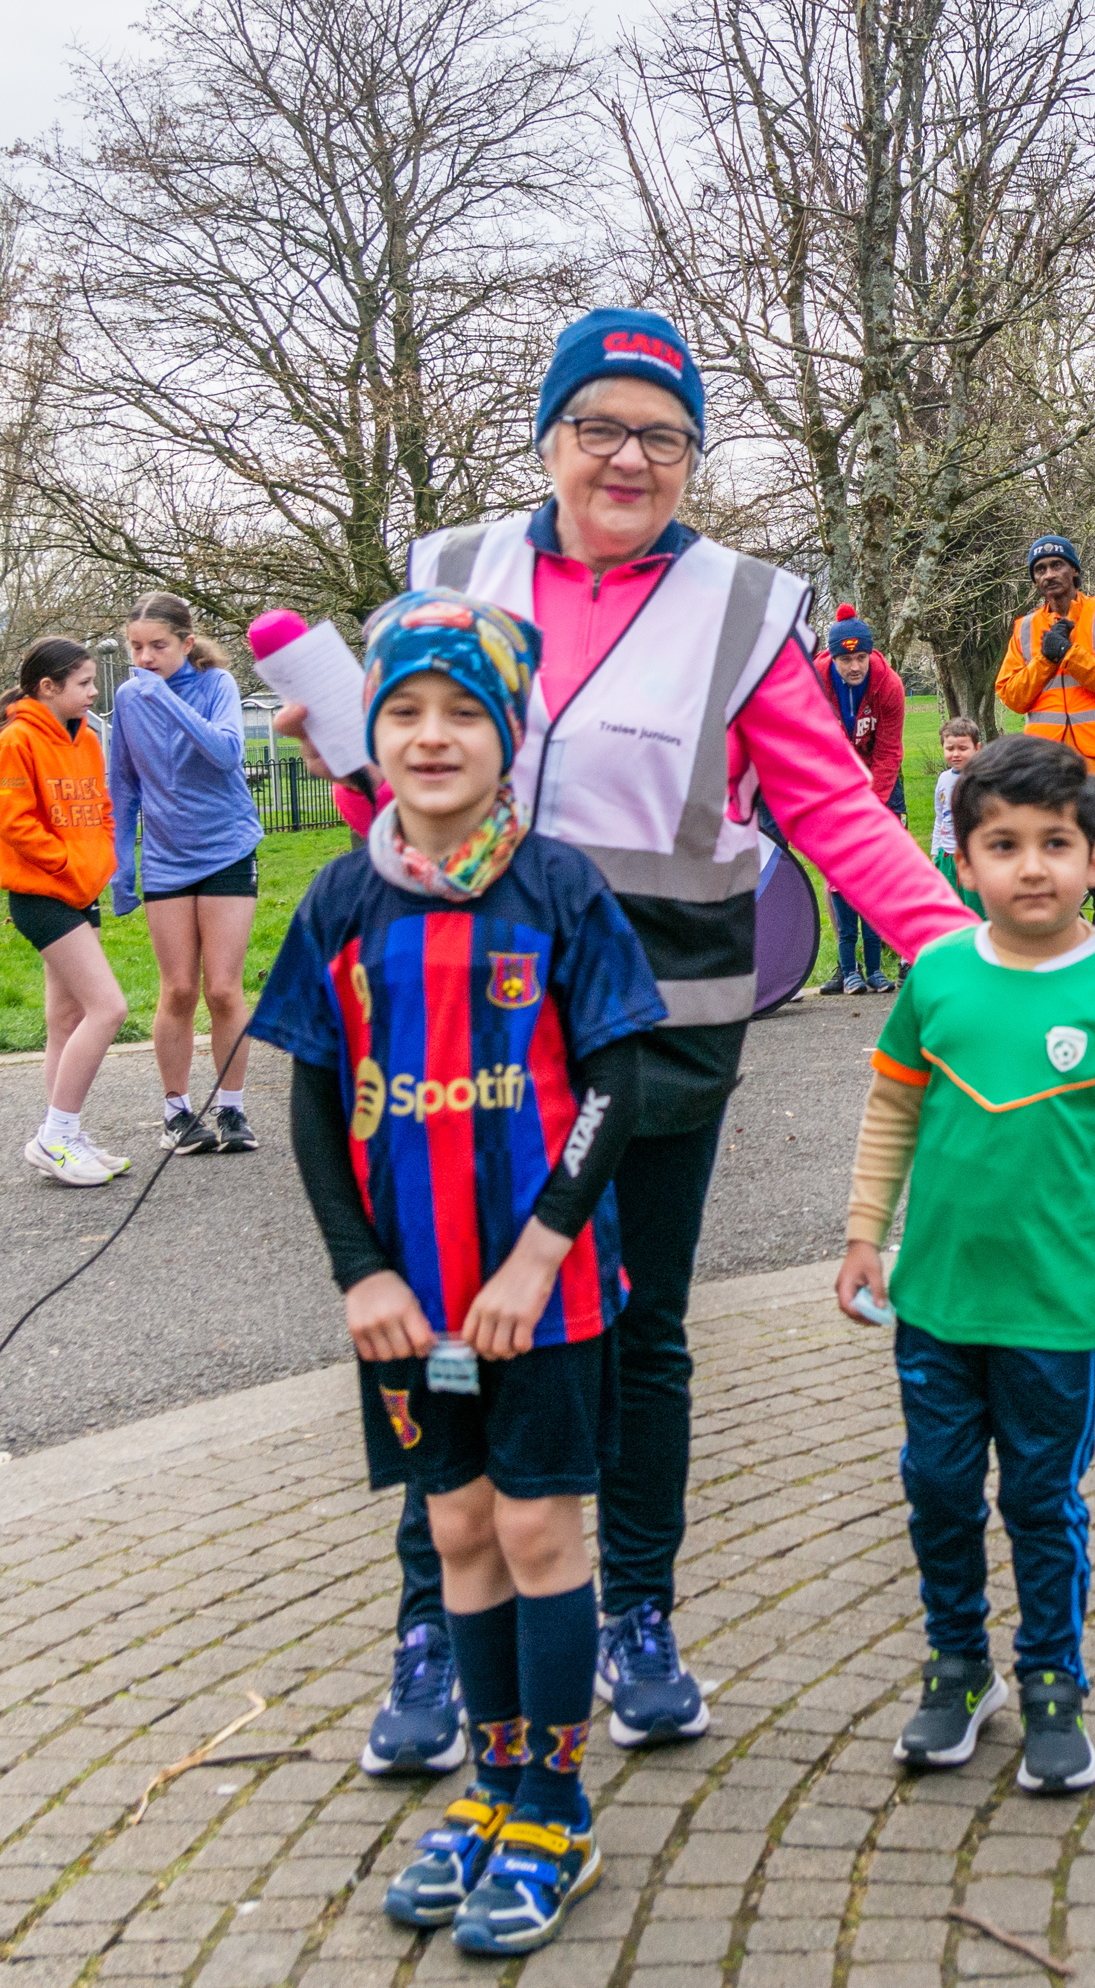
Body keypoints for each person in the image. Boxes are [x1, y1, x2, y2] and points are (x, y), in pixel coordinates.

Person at [277, 305, 975, 1767]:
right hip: (450, 1016)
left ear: (694, 459)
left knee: (638, 1330)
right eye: (598, 425)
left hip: (655, 1024)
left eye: (664, 435)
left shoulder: (741, 603)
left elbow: (832, 807)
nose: (629, 458)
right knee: (452, 1320)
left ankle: (633, 1614)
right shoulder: (452, 571)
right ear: (546, 436)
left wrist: (959, 954)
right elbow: (396, 788)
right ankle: (435, 1624)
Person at [250, 594, 667, 1953]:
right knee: (458, 1533)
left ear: (511, 736)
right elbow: (314, 1098)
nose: (433, 738)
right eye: (405, 712)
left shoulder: (557, 888)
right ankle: (492, 1786)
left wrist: (544, 1250)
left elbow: (615, 1077)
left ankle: (557, 1808)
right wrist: (359, 1274)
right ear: (372, 732)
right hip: (411, 1308)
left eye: (465, 713)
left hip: (544, 1295)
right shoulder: (342, 897)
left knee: (543, 1532)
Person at [837, 736, 1095, 1792]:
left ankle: (1051, 1681)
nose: (1031, 866)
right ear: (965, 860)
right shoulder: (934, 977)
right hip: (933, 1303)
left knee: (1039, 1499)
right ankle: (956, 1668)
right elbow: (891, 1104)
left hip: (1056, 1319)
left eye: (1055, 844)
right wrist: (861, 1231)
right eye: (1003, 844)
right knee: (936, 1489)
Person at [110, 593, 263, 1155]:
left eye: (158, 646)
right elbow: (123, 785)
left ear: (186, 643)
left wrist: (167, 700)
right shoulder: (127, 698)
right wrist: (123, 863)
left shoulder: (216, 685)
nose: (145, 658)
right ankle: (177, 1113)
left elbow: (225, 753)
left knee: (223, 989)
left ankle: (232, 1109)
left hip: (226, 848)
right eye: (136, 648)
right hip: (167, 859)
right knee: (177, 988)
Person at [0, 639, 129, 1185]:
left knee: (67, 1020)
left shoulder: (86, 739)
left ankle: (67, 1135)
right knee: (109, 1008)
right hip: (41, 893)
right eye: (84, 683)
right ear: (47, 687)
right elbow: (14, 821)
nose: (94, 691)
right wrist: (67, 863)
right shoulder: (17, 738)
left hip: (80, 887)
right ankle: (55, 1136)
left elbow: (101, 805)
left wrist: (98, 858)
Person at [995, 535, 1095, 958]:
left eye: (1057, 566)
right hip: (1048, 782)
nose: (1049, 576)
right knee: (1051, 884)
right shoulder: (1025, 629)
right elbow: (1012, 695)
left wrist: (1070, 653)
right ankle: (1053, 970)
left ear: (1074, 571)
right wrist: (1046, 659)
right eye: (1040, 571)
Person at [814, 606, 906, 995]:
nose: (854, 667)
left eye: (861, 657)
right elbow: (808, 744)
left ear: (871, 654)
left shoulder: (889, 686)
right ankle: (845, 963)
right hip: (833, 773)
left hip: (880, 774)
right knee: (836, 869)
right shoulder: (813, 682)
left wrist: (870, 804)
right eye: (845, 659)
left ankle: (899, 957)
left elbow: (888, 752)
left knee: (889, 864)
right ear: (832, 658)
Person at [931, 717, 985, 916]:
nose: (955, 754)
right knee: (949, 911)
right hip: (947, 857)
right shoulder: (943, 779)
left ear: (977, 748)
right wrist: (936, 852)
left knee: (976, 911)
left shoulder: (983, 778)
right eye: (950, 748)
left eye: (963, 748)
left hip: (974, 857)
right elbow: (939, 817)